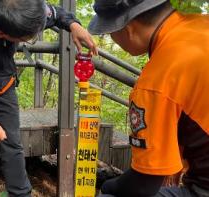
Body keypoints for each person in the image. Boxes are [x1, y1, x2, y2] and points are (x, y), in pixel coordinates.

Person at [0, 0, 97, 196]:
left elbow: (54, 13)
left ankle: (20, 193)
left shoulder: (25, 7)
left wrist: (73, 24)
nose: (27, 40)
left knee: (12, 141)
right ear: (0, 33)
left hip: (2, 82)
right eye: (24, 39)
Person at [88, 0, 209, 196]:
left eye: (109, 30)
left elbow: (144, 185)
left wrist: (108, 186)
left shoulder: (156, 81)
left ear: (128, 28)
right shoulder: (202, 25)